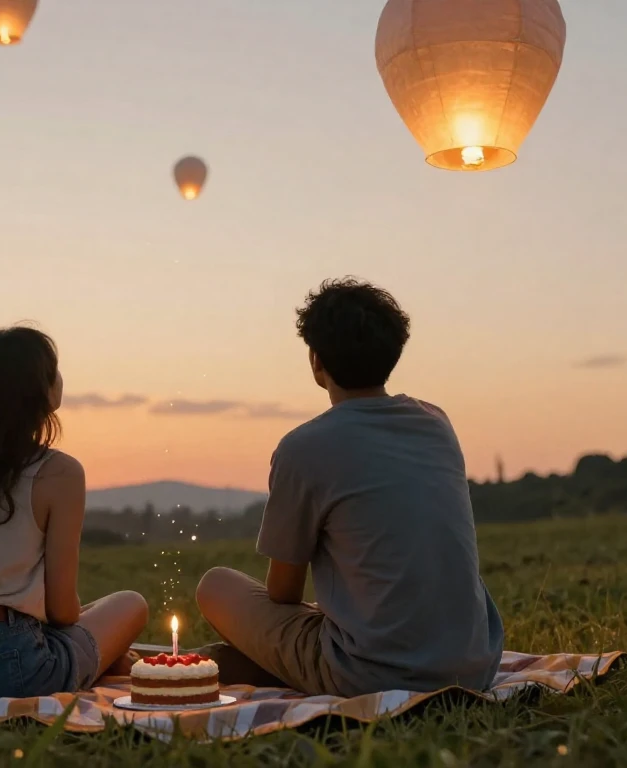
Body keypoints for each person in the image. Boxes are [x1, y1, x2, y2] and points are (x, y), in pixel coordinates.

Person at [194, 278, 504, 697]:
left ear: (316, 360)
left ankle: (248, 665)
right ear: (393, 353)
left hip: (373, 677)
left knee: (216, 585)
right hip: (474, 666)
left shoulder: (304, 448)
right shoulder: (436, 423)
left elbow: (283, 593)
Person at [0, 326, 148, 704]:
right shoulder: (59, 472)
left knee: (96, 618)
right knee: (130, 604)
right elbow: (63, 611)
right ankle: (112, 660)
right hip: (5, 667)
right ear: (39, 389)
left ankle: (108, 657)